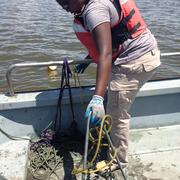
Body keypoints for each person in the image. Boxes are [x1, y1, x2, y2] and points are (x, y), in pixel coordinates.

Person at [55, 0, 161, 173]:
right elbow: (113, 35)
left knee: (117, 113)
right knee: (113, 101)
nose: (65, 9)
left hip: (134, 61)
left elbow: (106, 52)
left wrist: (97, 98)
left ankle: (117, 161)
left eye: (66, 4)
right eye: (61, 5)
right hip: (144, 53)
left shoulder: (94, 10)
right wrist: (89, 57)